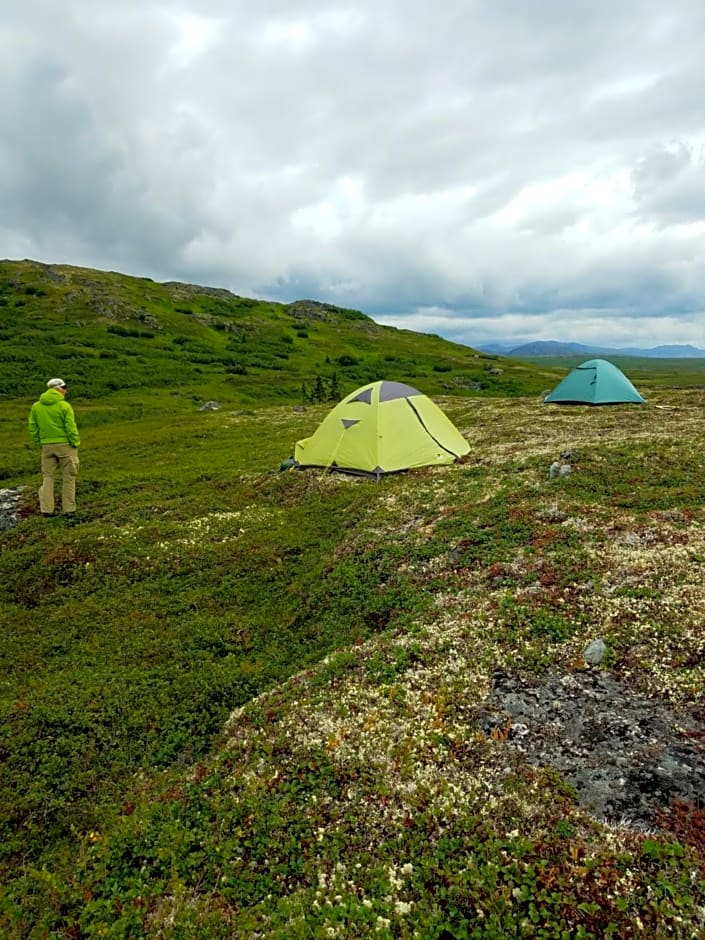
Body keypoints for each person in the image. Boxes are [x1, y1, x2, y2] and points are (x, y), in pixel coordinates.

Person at [28, 378, 81, 517]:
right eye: (64, 387)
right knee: (69, 477)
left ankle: (47, 510)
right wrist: (75, 442)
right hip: (65, 445)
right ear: (57, 389)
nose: (66, 390)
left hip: (46, 446)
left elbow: (32, 427)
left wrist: (40, 441)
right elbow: (71, 427)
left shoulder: (36, 406)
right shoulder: (64, 406)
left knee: (48, 477)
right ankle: (69, 509)